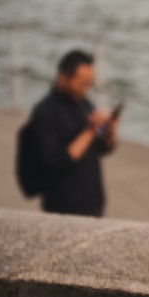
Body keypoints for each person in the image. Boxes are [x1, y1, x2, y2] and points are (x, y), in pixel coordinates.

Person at [26, 49, 118, 217]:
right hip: (63, 207)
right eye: (81, 83)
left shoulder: (84, 103)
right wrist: (90, 131)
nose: (85, 89)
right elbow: (54, 163)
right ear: (63, 76)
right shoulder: (45, 112)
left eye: (89, 84)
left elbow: (102, 149)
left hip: (93, 204)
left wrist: (110, 131)